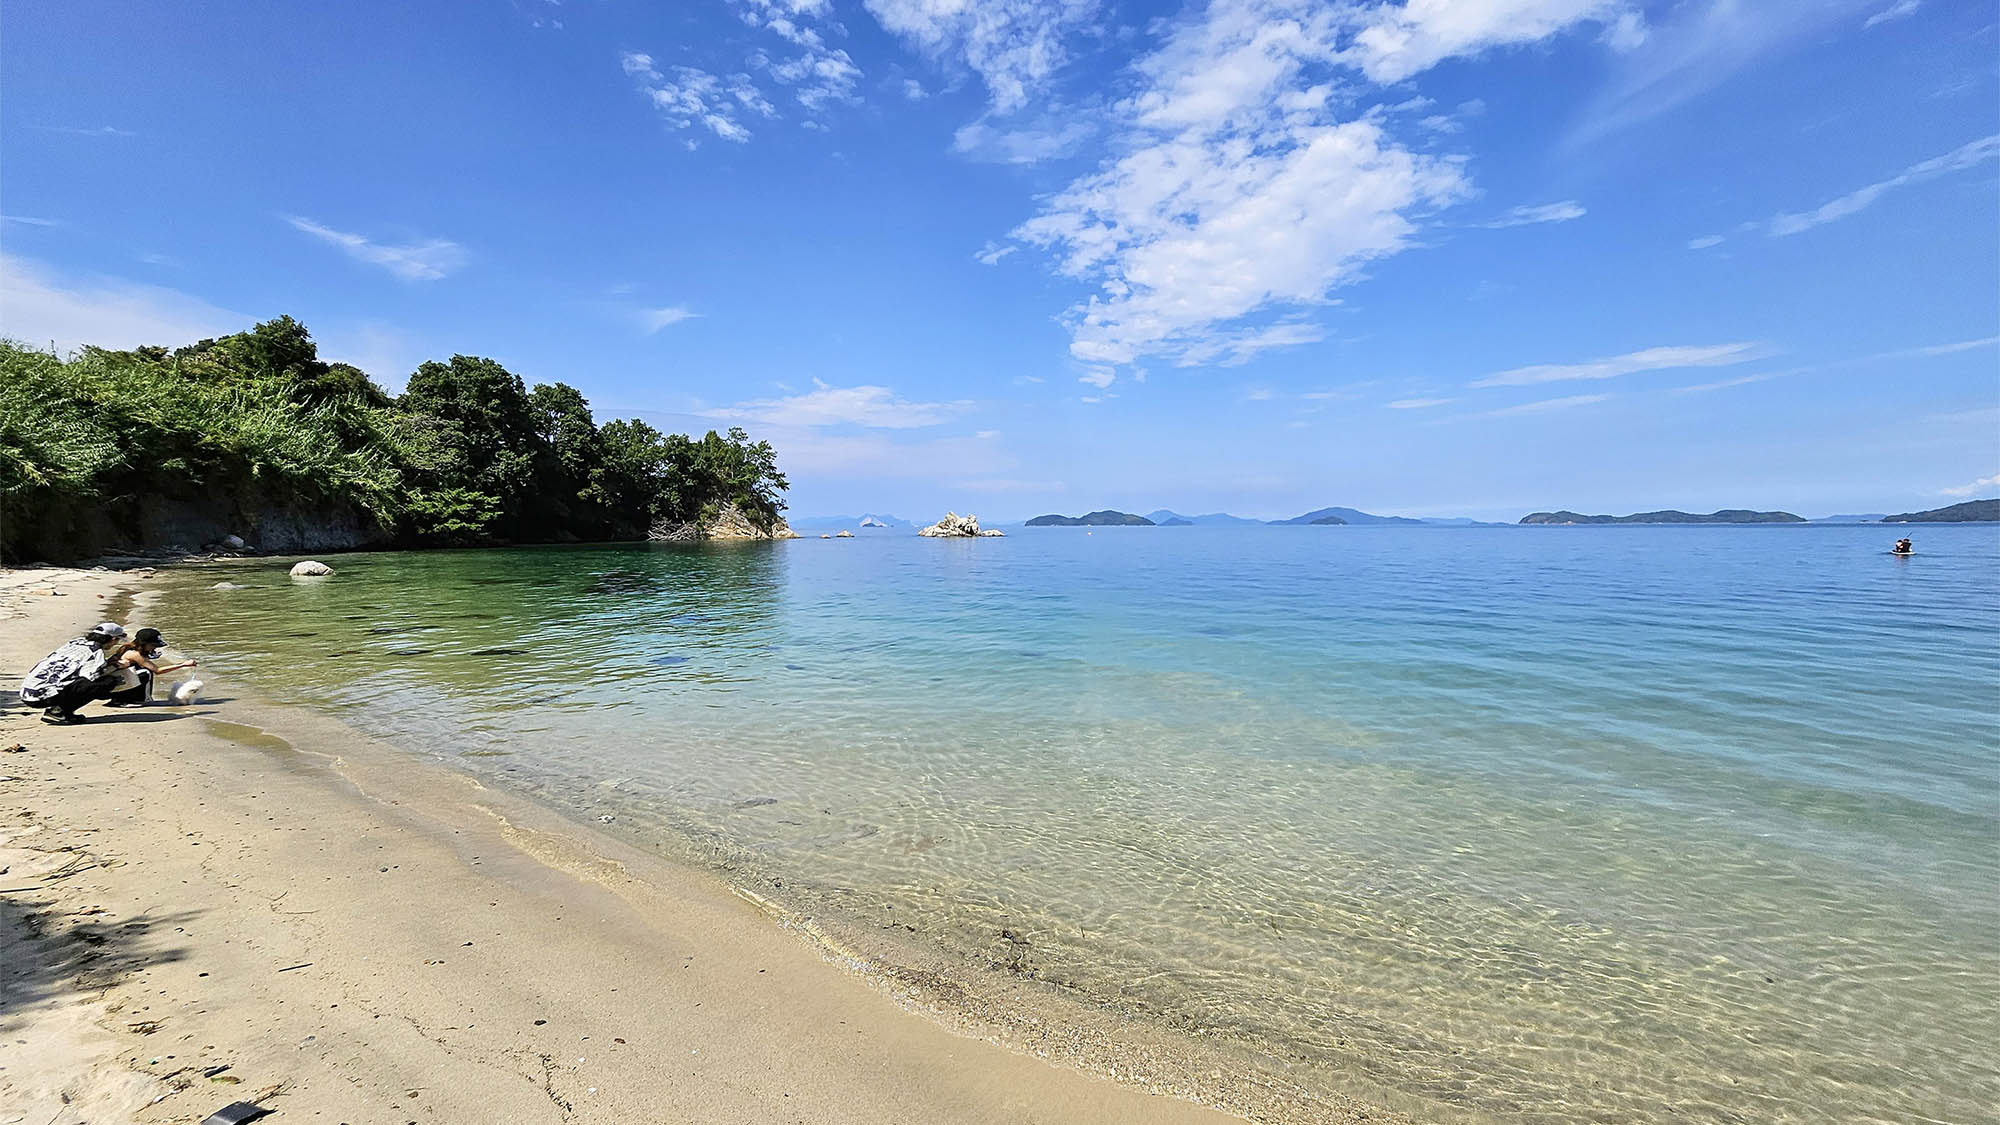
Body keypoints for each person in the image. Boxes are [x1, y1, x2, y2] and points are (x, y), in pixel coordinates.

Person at [19, 622, 127, 724]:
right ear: (113, 639)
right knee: (108, 682)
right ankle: (58, 712)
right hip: (42, 697)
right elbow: (92, 677)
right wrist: (116, 666)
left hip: (27, 691)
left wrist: (106, 664)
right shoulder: (96, 653)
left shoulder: (74, 643)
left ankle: (57, 710)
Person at [103, 628, 197, 707]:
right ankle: (137, 700)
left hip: (116, 683)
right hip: (114, 686)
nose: (154, 648)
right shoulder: (134, 654)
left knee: (142, 671)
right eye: (153, 646)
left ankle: (124, 699)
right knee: (145, 673)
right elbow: (158, 670)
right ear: (143, 644)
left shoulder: (129, 648)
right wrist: (183, 664)